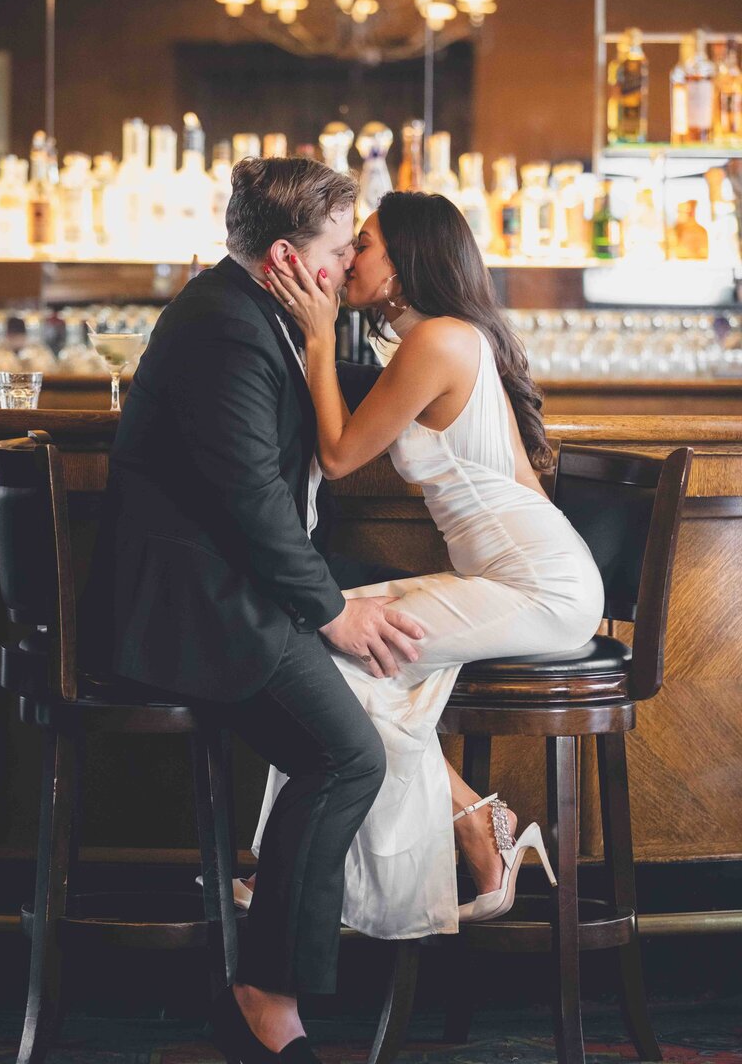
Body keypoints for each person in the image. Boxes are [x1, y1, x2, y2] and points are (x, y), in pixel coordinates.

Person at [89, 158, 426, 1063]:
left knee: (383, 689)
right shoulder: (223, 329)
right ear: (284, 254)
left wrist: (437, 340)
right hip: (196, 607)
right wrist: (332, 614)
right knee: (344, 755)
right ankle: (262, 997)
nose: (346, 263)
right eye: (337, 248)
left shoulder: (256, 312)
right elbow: (250, 499)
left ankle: (285, 984)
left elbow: (341, 386)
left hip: (235, 588)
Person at [258, 190, 605, 939]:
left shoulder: (441, 340)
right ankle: (474, 825)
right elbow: (512, 478)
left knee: (339, 658)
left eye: (367, 243)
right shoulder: (439, 339)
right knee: (323, 639)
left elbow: (341, 453)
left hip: (538, 586)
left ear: (409, 262)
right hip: (512, 577)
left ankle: (314, 869)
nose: (350, 256)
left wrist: (320, 336)